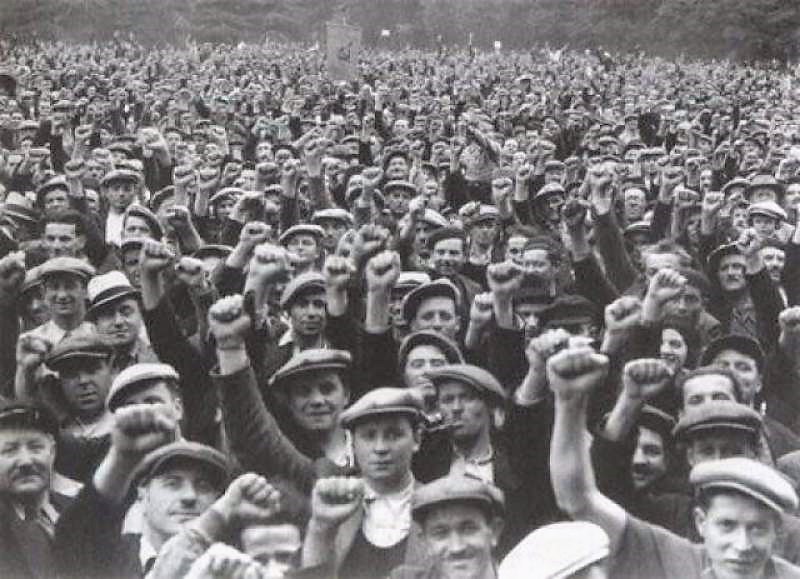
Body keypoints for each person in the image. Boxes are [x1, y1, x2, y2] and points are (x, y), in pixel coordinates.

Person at [548, 345, 800, 579]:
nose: (742, 545)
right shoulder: (680, 556)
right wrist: (569, 402)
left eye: (757, 529)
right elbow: (577, 497)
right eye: (727, 525)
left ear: (777, 528)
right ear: (702, 522)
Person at [0, 400, 71, 579]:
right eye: (10, 451)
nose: (25, 461)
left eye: (35, 447)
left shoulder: (82, 513)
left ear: (52, 452)